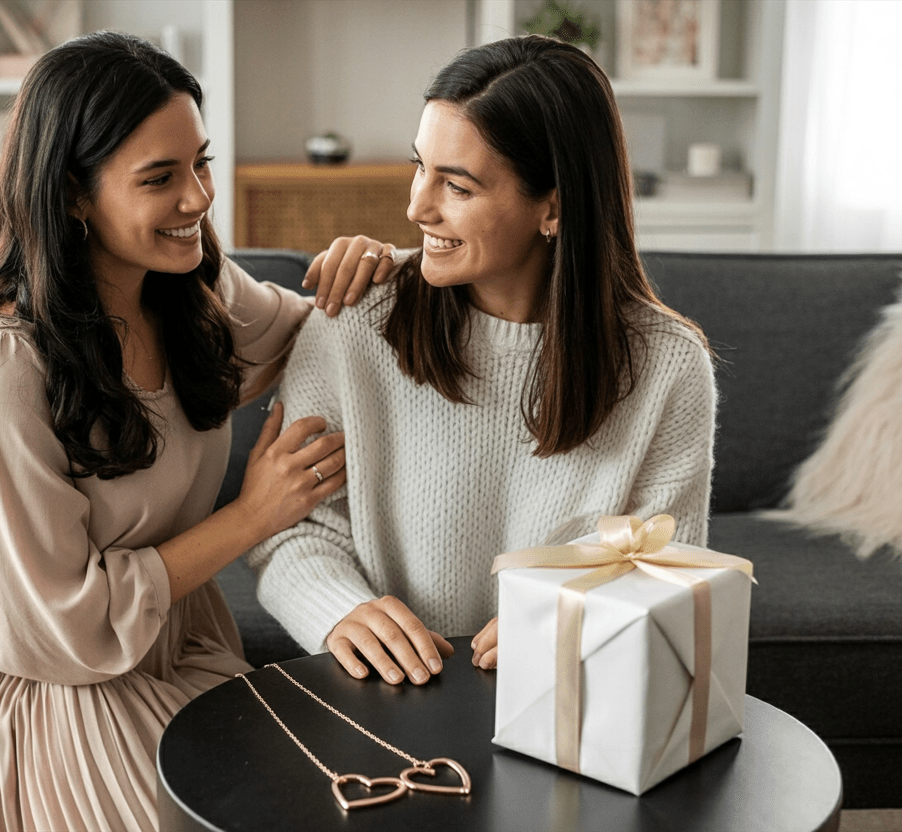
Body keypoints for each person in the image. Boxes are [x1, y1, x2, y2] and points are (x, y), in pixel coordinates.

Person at [0, 31, 392, 832]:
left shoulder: (191, 286)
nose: (198, 199)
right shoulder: (7, 363)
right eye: (160, 178)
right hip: (47, 682)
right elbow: (61, 627)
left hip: (168, 642)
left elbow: (319, 331)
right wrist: (255, 515)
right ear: (74, 194)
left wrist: (379, 261)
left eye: (200, 163)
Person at [249, 35, 716, 688]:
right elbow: (294, 528)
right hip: (386, 695)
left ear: (552, 205)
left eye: (457, 185)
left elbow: (665, 569)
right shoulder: (354, 316)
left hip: (571, 697)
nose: (416, 207)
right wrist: (341, 611)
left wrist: (588, 619)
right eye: (421, 167)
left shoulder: (670, 367)